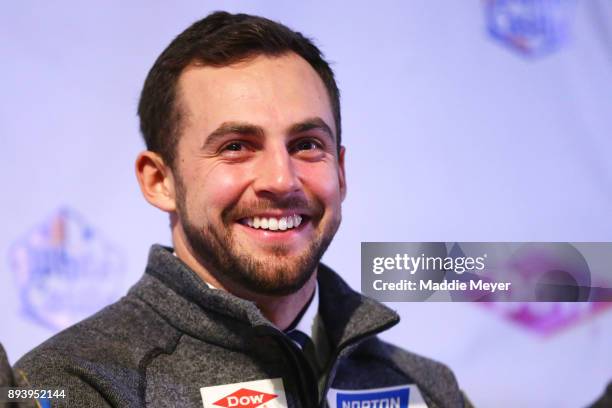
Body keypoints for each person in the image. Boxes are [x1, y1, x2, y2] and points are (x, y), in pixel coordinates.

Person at [15, 11, 471, 407]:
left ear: (342, 171)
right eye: (236, 146)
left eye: (307, 145)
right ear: (160, 181)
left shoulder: (427, 387)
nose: (281, 179)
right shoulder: (70, 385)